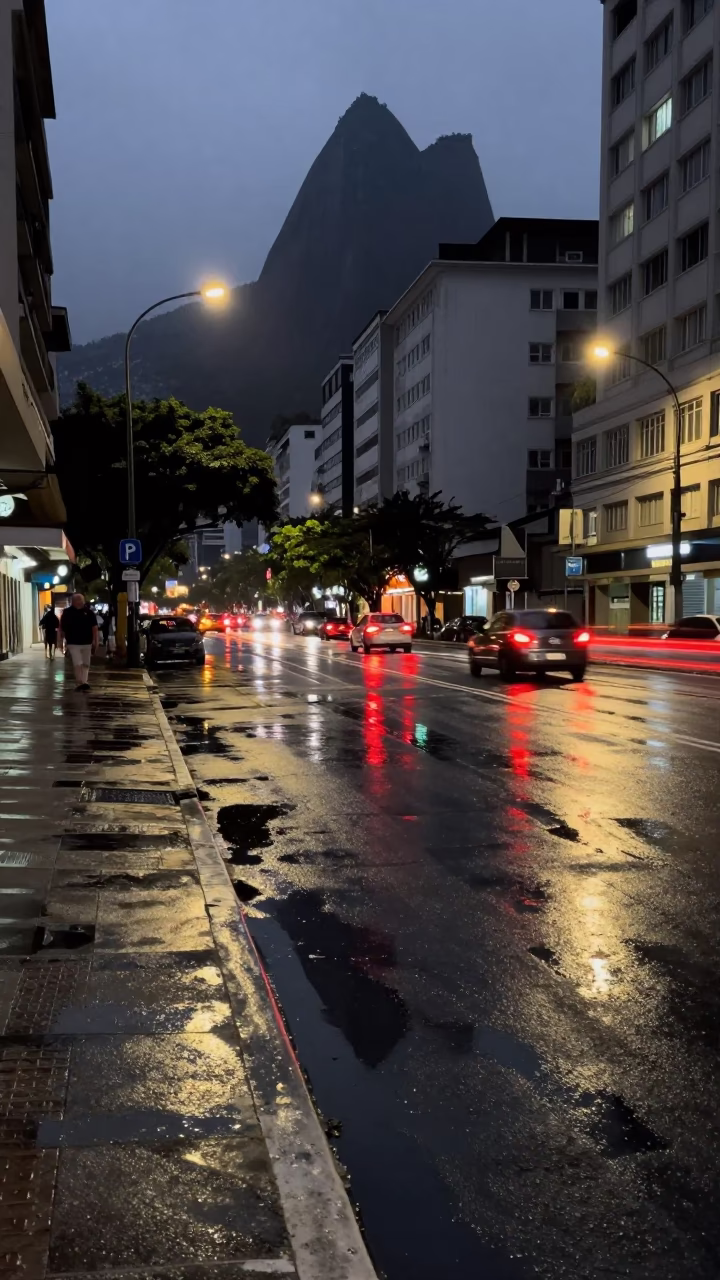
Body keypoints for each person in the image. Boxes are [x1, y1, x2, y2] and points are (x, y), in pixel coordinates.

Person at [58, 593, 98, 691]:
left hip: (87, 642)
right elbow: (61, 628)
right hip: (73, 642)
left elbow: (95, 628)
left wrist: (95, 641)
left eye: (81, 600)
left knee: (86, 663)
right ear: (73, 601)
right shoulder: (67, 612)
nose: (79, 602)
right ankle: (80, 681)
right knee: (77, 662)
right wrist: (59, 641)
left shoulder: (89, 613)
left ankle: (84, 681)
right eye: (77, 600)